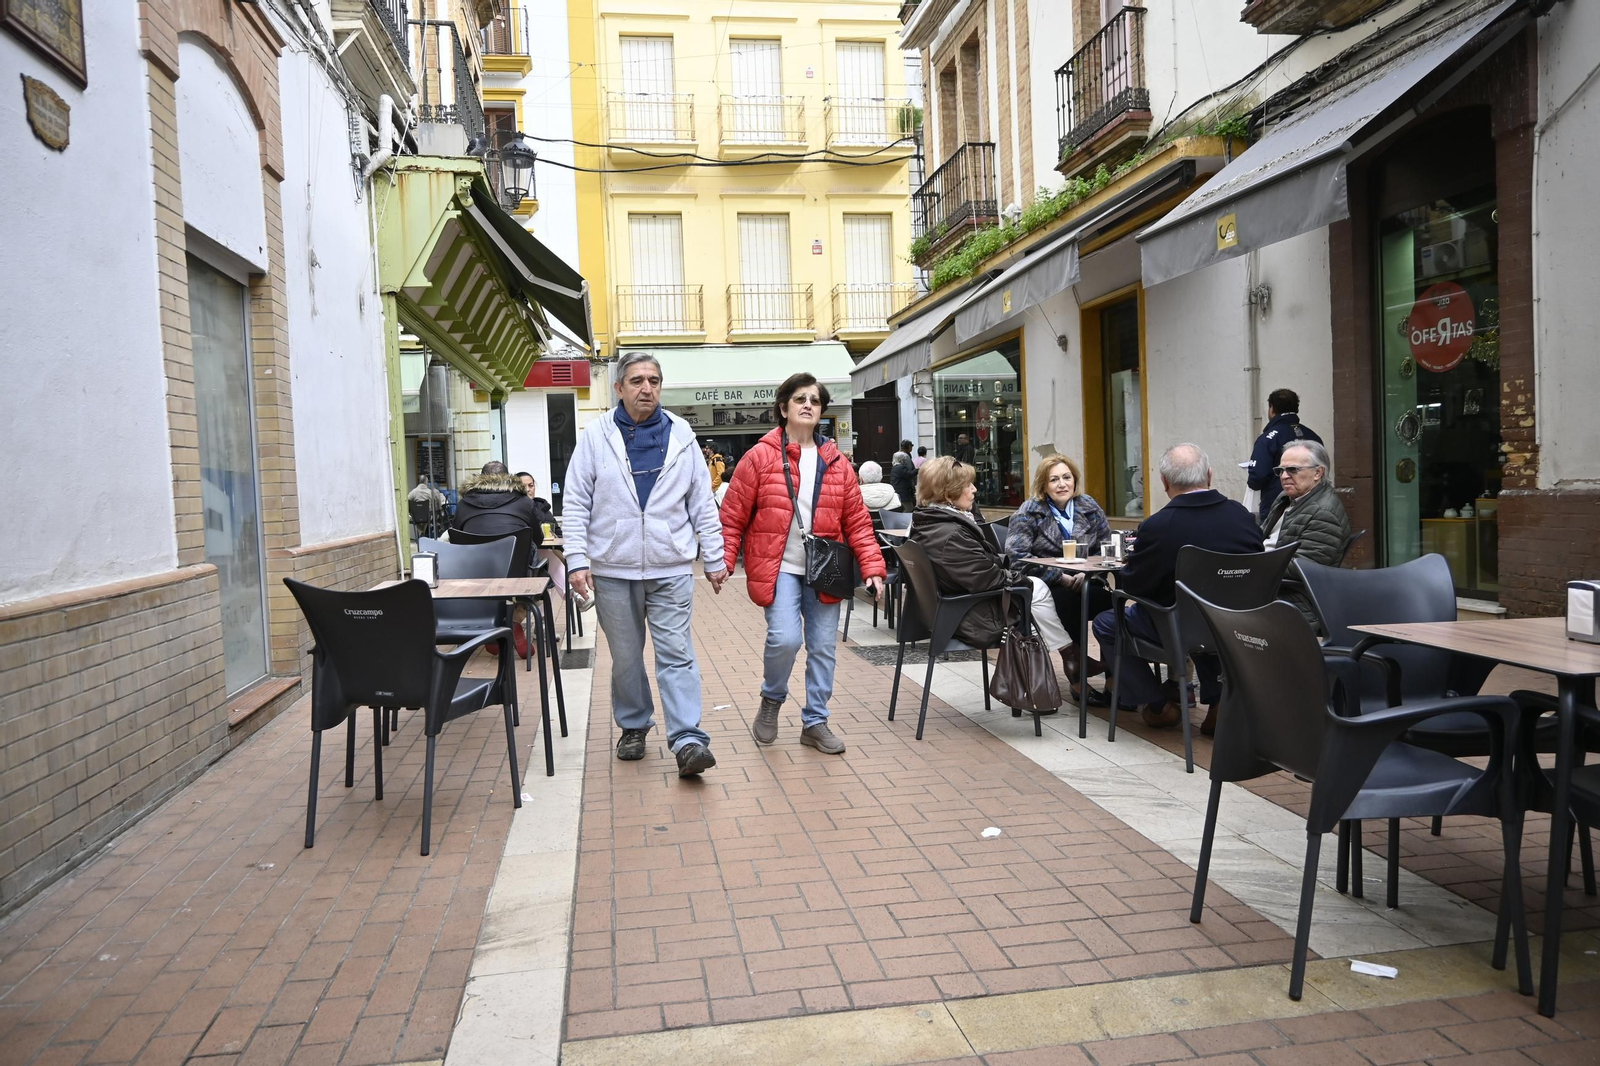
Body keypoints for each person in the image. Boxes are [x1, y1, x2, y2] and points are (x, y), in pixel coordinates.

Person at [563, 351, 728, 777]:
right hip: (613, 569)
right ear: (618, 388)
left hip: (671, 565)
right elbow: (577, 502)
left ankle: (688, 739)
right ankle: (634, 726)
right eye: (636, 380)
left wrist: (714, 556)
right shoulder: (595, 436)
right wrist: (577, 559)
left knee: (676, 653)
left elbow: (702, 505)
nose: (646, 388)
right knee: (627, 657)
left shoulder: (682, 436)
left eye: (653, 380)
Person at [719, 374, 887, 755]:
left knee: (823, 647)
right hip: (778, 566)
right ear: (784, 408)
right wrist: (724, 561)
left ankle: (815, 722)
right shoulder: (760, 457)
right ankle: (772, 698)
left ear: (822, 411)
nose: (808, 404)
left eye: (814, 400)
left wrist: (874, 568)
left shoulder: (838, 463)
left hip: (825, 567)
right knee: (785, 638)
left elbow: (857, 521)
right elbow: (733, 516)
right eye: (799, 399)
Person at [1092, 444, 1263, 735]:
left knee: (1107, 623)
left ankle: (1158, 706)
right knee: (1202, 616)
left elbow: (1135, 586)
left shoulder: (1158, 526)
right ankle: (1218, 700)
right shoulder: (1241, 517)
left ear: (1164, 482)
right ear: (1209, 475)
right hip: (1236, 623)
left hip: (1179, 627)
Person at [908, 457, 1072, 666]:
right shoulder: (950, 533)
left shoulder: (929, 522)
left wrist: (1004, 564)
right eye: (968, 485)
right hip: (972, 618)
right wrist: (1019, 577)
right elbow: (986, 578)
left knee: (1038, 604)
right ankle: (1068, 657)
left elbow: (975, 569)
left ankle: (1066, 658)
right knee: (1036, 589)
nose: (974, 489)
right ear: (949, 494)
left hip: (950, 610)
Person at [1004, 455, 1114, 698]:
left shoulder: (1089, 506)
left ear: (1075, 480)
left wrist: (1090, 576)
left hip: (1087, 581)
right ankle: (1077, 680)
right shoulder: (1028, 512)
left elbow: (1105, 548)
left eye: (1067, 477)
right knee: (1069, 604)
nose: (1062, 484)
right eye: (1054, 479)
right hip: (1048, 586)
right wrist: (1059, 576)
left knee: (1111, 606)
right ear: (1044, 485)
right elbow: (1016, 558)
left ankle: (1113, 679)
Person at [1262, 440, 1351, 628]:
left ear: (1318, 473)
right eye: (1280, 471)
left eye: (1293, 470)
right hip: (1268, 583)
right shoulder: (1286, 498)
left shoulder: (1325, 512)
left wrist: (1252, 563)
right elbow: (1263, 537)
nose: (1284, 476)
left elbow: (1303, 567)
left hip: (1292, 598)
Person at [1246, 388, 1324, 520]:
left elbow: (1256, 479)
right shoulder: (1313, 436)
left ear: (1272, 409)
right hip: (1314, 506)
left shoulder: (1268, 439)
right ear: (1296, 409)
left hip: (1277, 510)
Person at [452, 461, 545, 546]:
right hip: (516, 563)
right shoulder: (526, 503)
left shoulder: (463, 505)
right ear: (509, 478)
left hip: (474, 563)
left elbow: (455, 541)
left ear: (480, 478)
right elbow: (537, 540)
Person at [516, 471, 561, 537]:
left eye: (531, 485)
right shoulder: (512, 510)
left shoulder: (543, 508)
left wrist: (554, 536)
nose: (528, 489)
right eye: (523, 486)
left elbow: (559, 534)